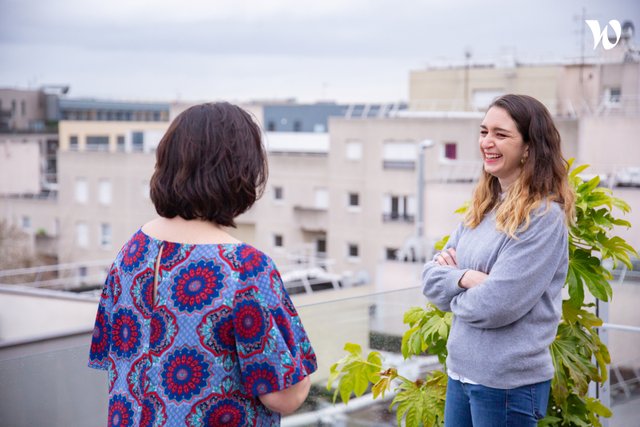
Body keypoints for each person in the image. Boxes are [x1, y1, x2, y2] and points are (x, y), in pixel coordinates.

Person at [88, 102, 317, 427]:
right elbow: (284, 394)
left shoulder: (131, 252)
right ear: (239, 173)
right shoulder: (244, 268)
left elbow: (115, 359)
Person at [422, 94, 574, 427]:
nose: (487, 142)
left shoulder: (543, 219)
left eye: (501, 135)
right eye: (483, 132)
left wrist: (454, 290)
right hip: (461, 374)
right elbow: (430, 280)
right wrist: (465, 279)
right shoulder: (483, 208)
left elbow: (497, 305)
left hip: (506, 385)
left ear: (529, 147)